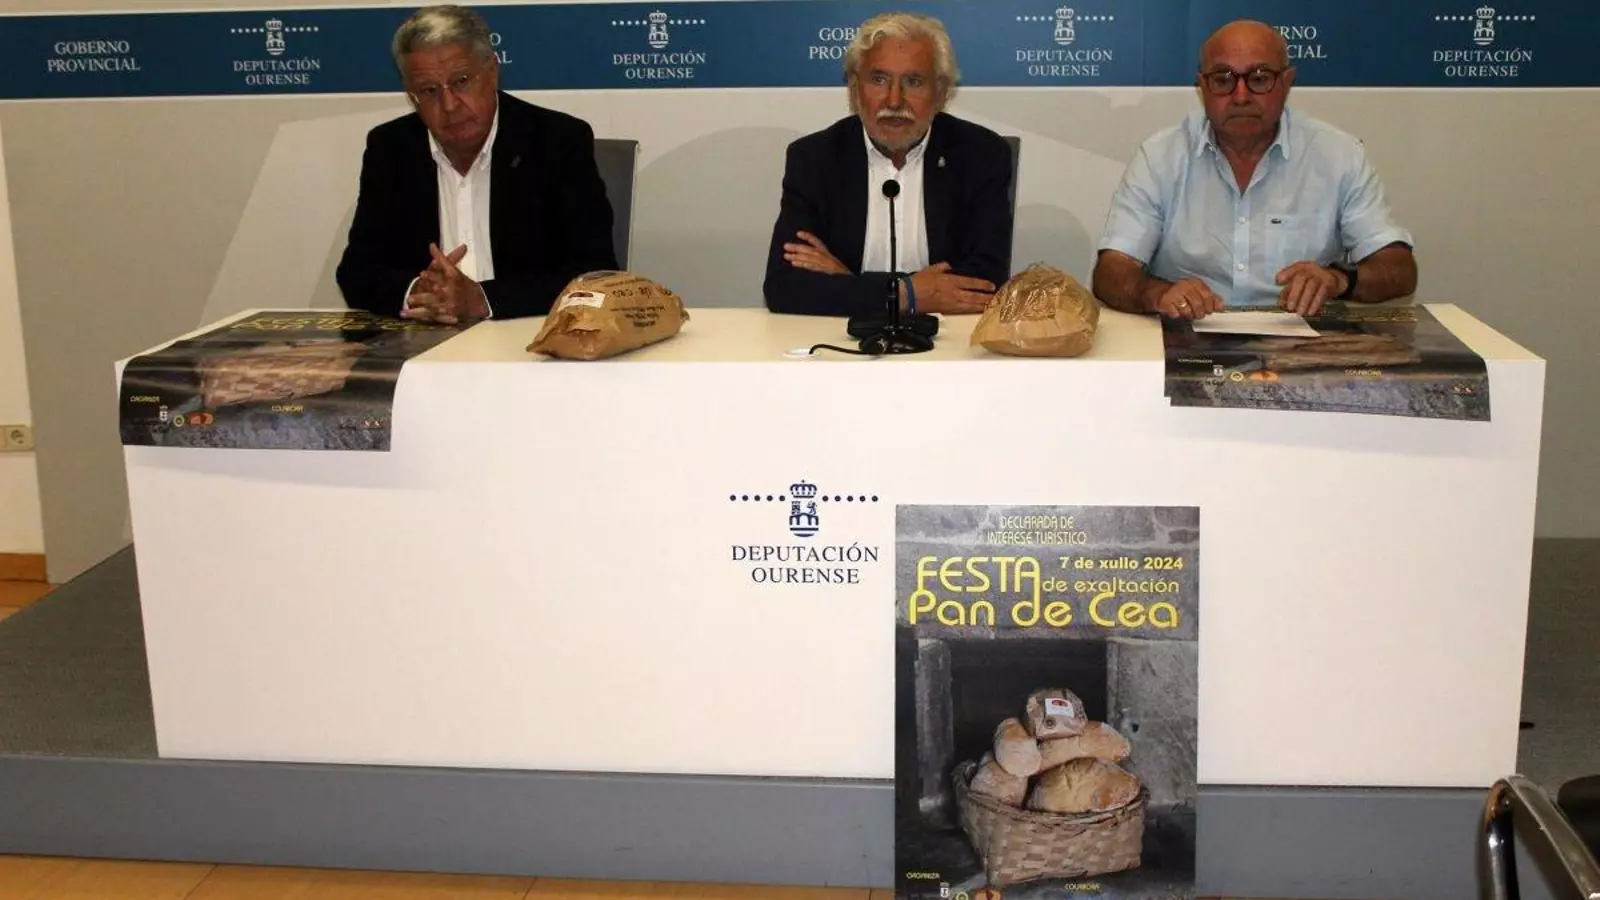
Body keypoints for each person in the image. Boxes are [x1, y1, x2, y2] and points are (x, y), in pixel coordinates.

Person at [1092, 20, 1416, 320]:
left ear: (1287, 82)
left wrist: (1338, 279)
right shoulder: (1160, 157)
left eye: (1259, 78)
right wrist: (1158, 294)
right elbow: (1110, 273)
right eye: (1223, 80)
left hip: (1301, 345)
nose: (1241, 96)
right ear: (1201, 86)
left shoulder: (1338, 156)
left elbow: (1399, 269)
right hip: (1185, 336)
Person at [336, 4, 617, 323]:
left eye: (461, 81)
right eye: (429, 90)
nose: (449, 105)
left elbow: (595, 271)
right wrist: (419, 291)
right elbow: (357, 271)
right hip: (425, 341)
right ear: (411, 95)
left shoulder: (557, 140)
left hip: (524, 335)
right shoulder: (391, 148)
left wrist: (483, 299)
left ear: (492, 71)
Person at [762, 12, 1014, 318]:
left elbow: (984, 282)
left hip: (947, 338)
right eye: (878, 80)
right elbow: (784, 286)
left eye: (913, 81)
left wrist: (850, 283)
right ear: (854, 89)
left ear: (941, 93)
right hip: (842, 339)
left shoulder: (980, 155)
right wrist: (906, 294)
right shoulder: (815, 158)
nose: (894, 101)